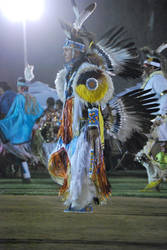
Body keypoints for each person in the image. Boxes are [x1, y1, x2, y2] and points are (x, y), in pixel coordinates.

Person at [48, 1, 158, 212]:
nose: (64, 53)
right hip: (72, 126)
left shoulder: (87, 72)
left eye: (68, 49)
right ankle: (78, 199)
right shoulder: (68, 74)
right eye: (64, 49)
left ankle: (81, 202)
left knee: (82, 163)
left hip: (86, 125)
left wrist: (91, 126)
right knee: (72, 163)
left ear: (77, 50)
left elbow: (92, 100)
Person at [0, 77, 44, 183]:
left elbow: (13, 114)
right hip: (28, 130)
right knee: (20, 152)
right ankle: (26, 175)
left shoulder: (18, 98)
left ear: (20, 87)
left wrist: (6, 122)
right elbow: (39, 113)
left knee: (17, 150)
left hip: (17, 129)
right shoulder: (32, 98)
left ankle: (31, 159)